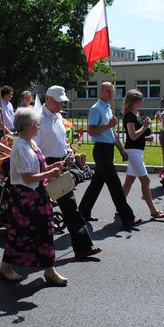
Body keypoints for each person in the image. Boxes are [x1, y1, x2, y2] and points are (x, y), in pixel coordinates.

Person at [0, 107, 68, 285]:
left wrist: (53, 167)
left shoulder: (30, 142)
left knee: (46, 231)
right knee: (20, 233)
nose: (39, 126)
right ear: (29, 125)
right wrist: (49, 174)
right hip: (25, 197)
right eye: (37, 124)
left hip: (37, 194)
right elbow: (27, 177)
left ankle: (49, 269)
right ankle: (6, 267)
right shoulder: (20, 146)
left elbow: (37, 167)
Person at [34, 85, 101, 259]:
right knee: (42, 210)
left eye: (63, 102)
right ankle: (30, 248)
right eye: (59, 102)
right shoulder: (38, 119)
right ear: (48, 100)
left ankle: (83, 247)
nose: (62, 105)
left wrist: (69, 150)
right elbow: (34, 147)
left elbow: (62, 141)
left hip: (59, 164)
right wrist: (46, 168)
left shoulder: (57, 117)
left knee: (70, 207)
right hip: (45, 166)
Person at [78, 82, 141, 229]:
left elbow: (112, 134)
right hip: (100, 150)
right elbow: (92, 131)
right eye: (107, 91)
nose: (110, 94)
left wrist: (121, 150)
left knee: (96, 184)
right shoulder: (96, 109)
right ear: (100, 91)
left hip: (108, 149)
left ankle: (83, 212)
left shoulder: (108, 108)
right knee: (115, 184)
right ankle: (127, 217)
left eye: (112, 91)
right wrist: (109, 125)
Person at [121, 90, 164, 219]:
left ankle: (119, 206)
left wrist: (147, 137)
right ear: (134, 101)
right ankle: (153, 211)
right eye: (140, 99)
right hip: (133, 152)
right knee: (145, 180)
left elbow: (137, 136)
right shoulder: (129, 116)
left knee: (129, 181)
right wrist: (145, 126)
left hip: (136, 151)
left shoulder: (135, 115)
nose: (142, 101)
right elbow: (132, 135)